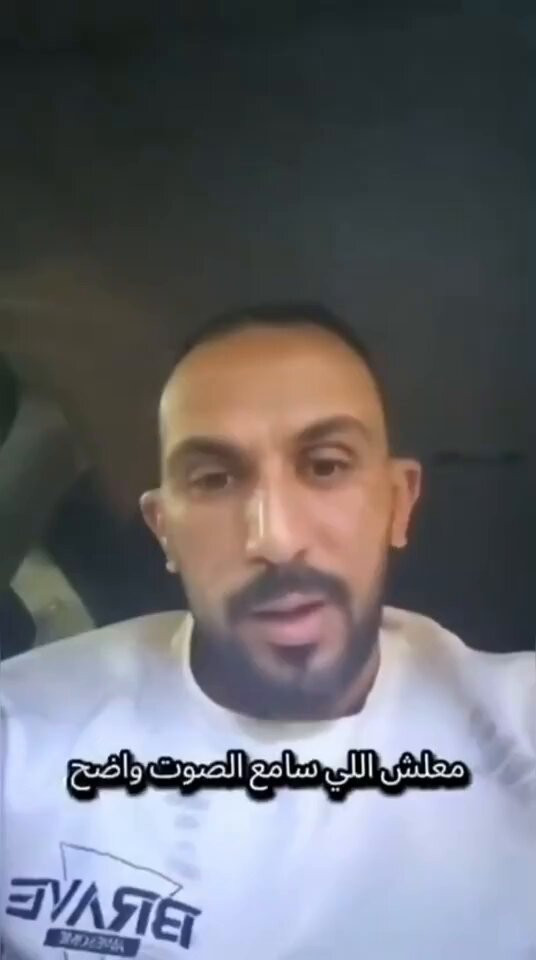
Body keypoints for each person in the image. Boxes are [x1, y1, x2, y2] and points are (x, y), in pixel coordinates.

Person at [1, 303, 534, 960]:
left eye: (326, 465)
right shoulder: (21, 735)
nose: (276, 540)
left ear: (399, 503)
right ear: (164, 531)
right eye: (215, 479)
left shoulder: (518, 725)